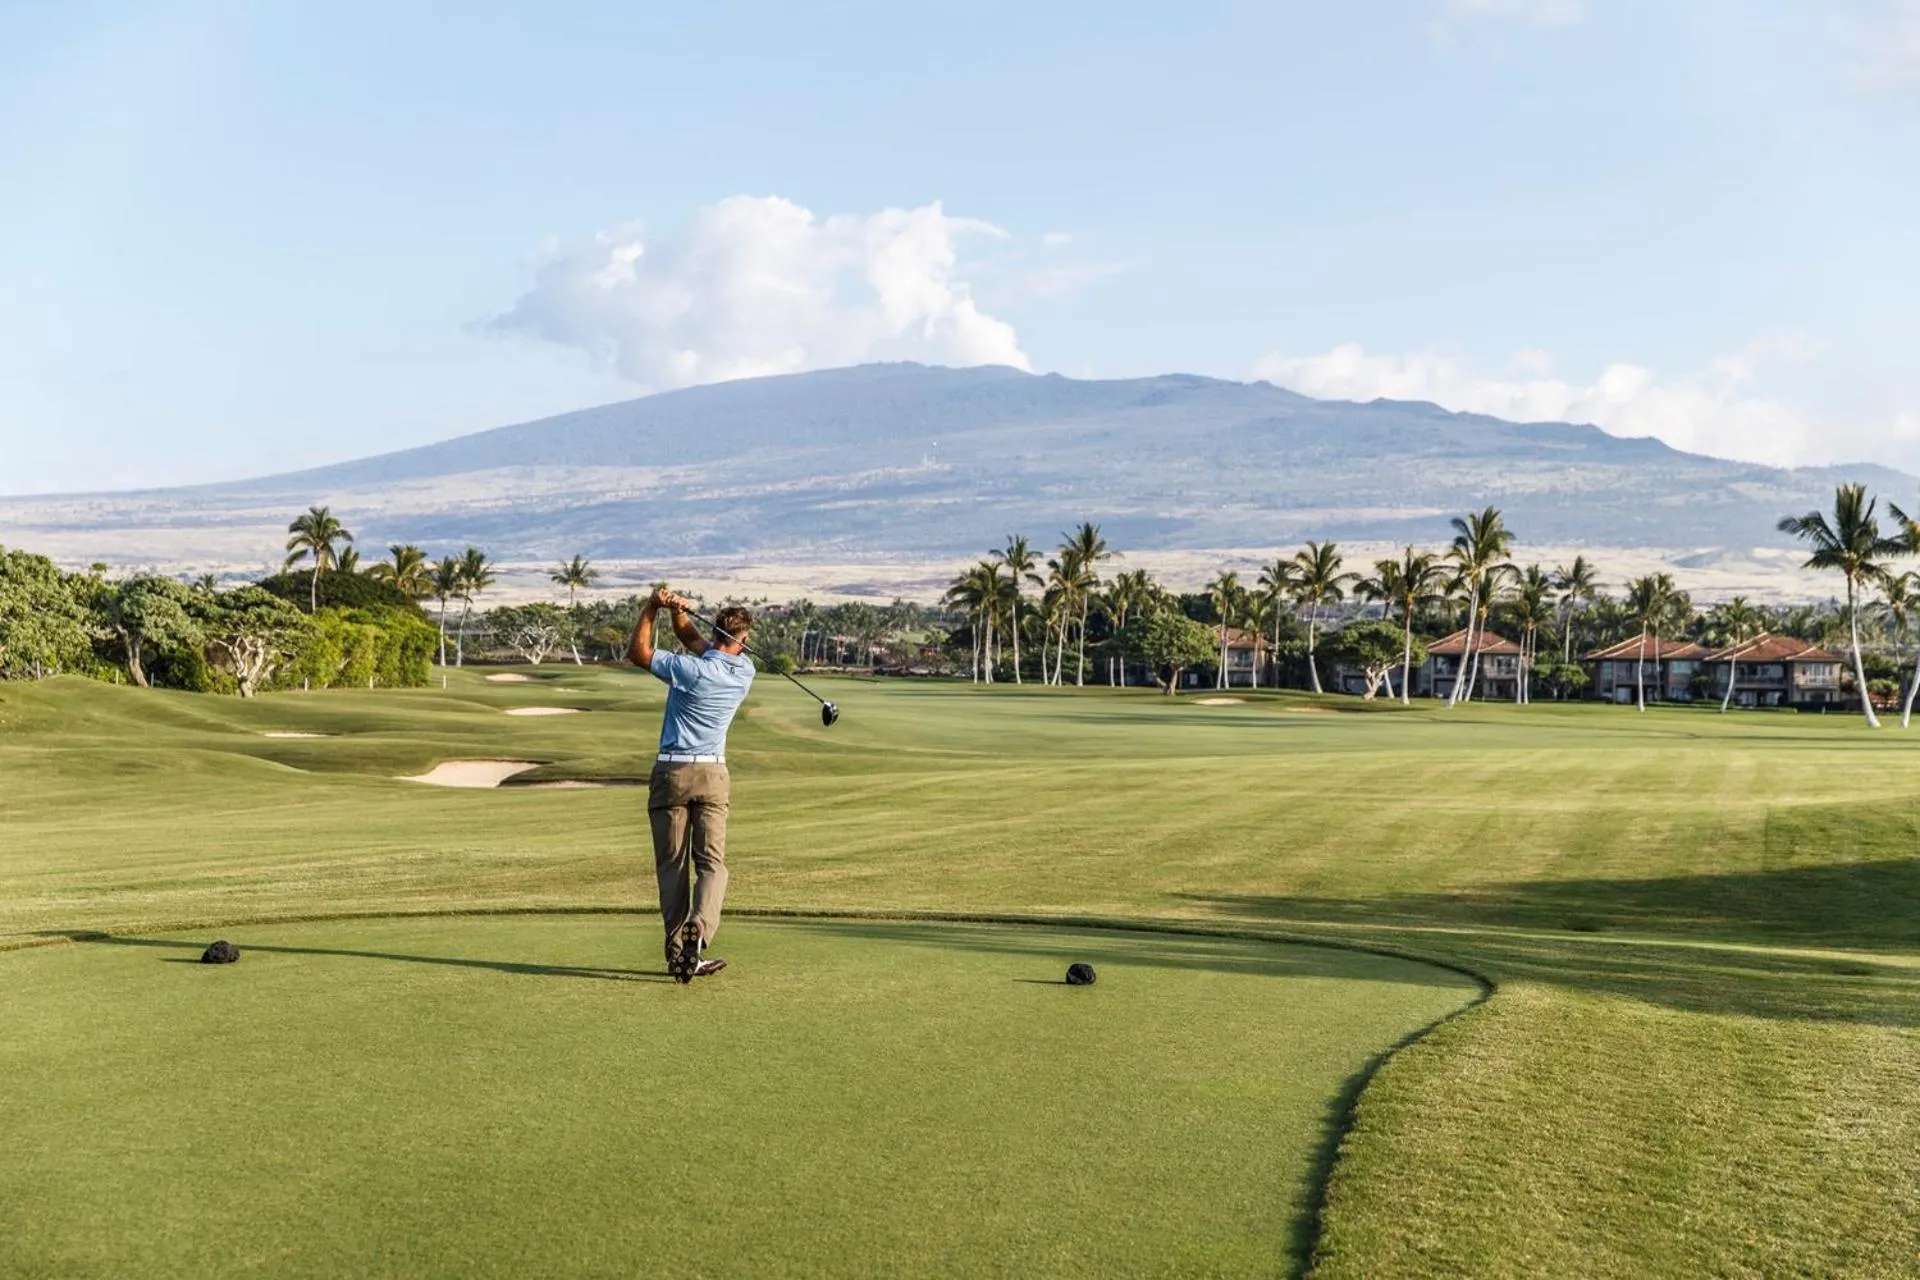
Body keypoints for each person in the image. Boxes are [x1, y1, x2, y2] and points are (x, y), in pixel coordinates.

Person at [628, 588, 755, 983]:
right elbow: (695, 641)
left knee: (672, 865)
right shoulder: (744, 672)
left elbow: (639, 653)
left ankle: (676, 949)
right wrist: (679, 614)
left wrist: (653, 608)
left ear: (715, 631)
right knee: (712, 865)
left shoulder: (689, 669)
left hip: (672, 773)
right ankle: (698, 933)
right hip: (714, 777)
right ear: (743, 640)